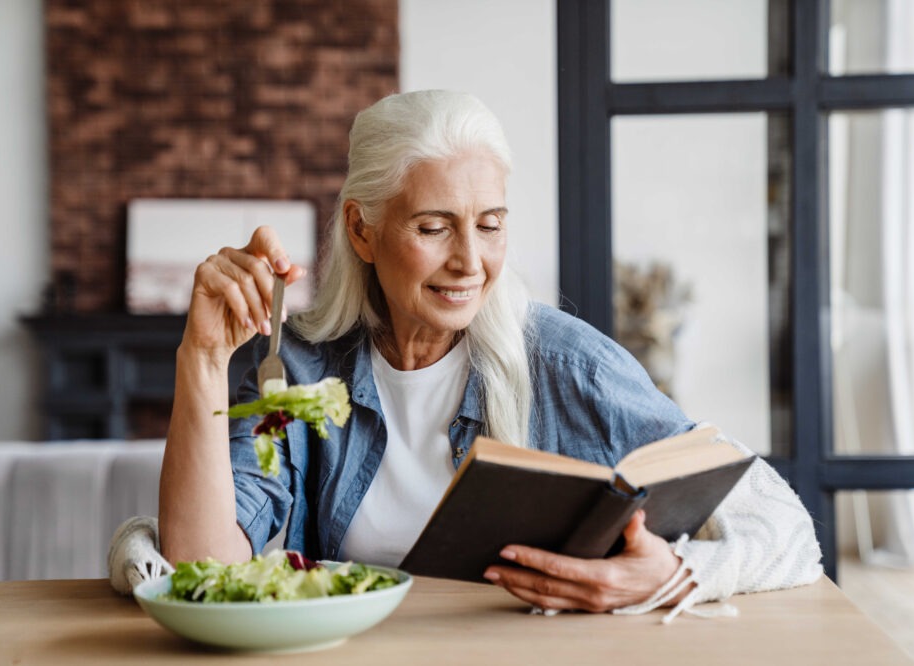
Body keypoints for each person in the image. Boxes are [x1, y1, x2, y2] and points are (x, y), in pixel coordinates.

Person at [159, 89, 822, 619]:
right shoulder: (296, 370)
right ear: (363, 231)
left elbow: (787, 527)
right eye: (433, 226)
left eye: (490, 225)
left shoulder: (568, 365)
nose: (470, 263)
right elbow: (201, 568)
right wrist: (203, 359)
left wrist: (678, 575)